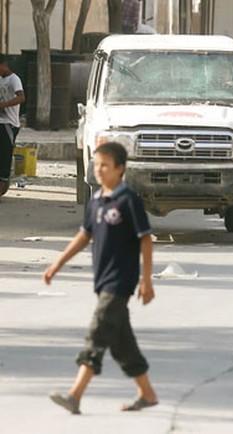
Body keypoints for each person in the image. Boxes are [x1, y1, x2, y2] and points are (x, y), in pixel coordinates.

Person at [45, 142, 158, 415]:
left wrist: (146, 280)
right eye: (96, 165)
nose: (99, 170)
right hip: (102, 279)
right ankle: (147, 393)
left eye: (105, 165)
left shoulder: (129, 201)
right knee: (122, 343)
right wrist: (57, 263)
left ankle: (75, 395)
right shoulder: (95, 201)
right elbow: (85, 235)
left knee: (97, 334)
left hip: (120, 282)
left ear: (120, 169)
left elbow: (145, 240)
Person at [0, 55, 24, 198]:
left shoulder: (14, 79)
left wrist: (4, 105)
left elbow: (21, 97)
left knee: (4, 156)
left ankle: (3, 185)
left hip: (9, 123)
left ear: (3, 65)